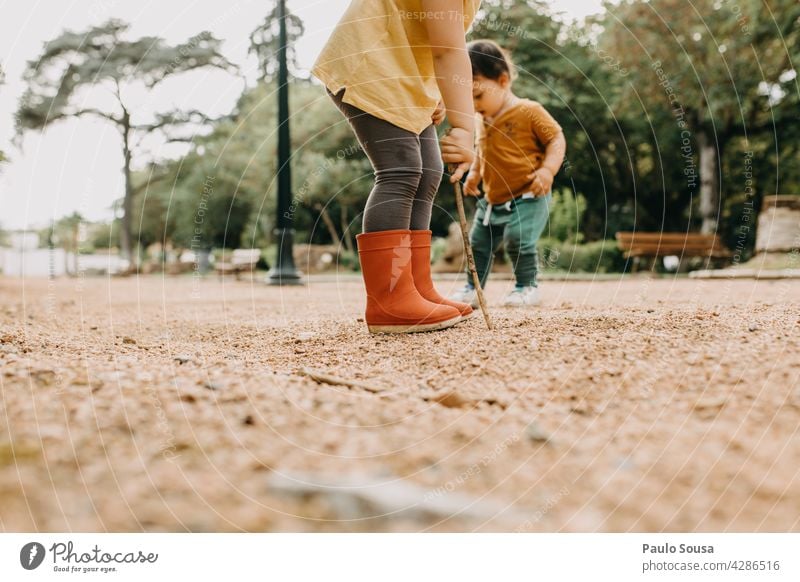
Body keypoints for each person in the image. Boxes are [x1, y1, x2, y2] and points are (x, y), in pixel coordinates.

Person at [312, 0, 481, 334]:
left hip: (404, 74)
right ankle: (389, 300)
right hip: (373, 66)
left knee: (428, 172)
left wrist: (441, 92)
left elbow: (441, 37)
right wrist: (464, 128)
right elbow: (447, 50)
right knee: (400, 171)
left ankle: (416, 288)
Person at [450, 39, 567, 308]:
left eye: (478, 96)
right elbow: (483, 151)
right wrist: (475, 175)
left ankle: (527, 287)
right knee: (477, 243)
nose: (474, 105)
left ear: (503, 81)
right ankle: (472, 288)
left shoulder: (529, 111)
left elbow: (556, 139)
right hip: (493, 199)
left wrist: (548, 170)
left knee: (518, 239)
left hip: (528, 194)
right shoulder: (482, 120)